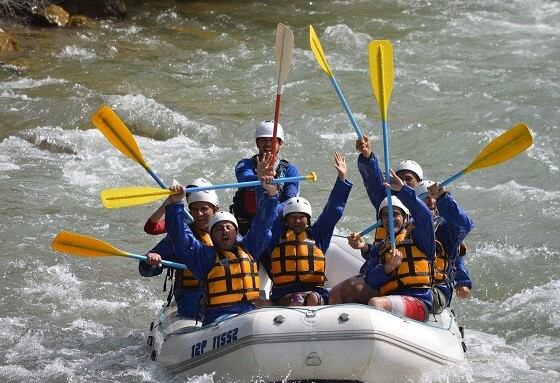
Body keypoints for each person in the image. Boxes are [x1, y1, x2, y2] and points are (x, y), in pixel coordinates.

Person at [148, 153, 279, 325]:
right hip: (212, 313)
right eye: (218, 229)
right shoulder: (204, 256)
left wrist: (269, 192)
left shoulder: (247, 247)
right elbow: (180, 238)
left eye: (228, 227)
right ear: (212, 233)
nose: (224, 231)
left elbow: (262, 224)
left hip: (247, 312)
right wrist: (175, 205)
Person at [262, 152, 352, 306]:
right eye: (292, 217)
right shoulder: (276, 236)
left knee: (312, 298)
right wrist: (271, 193)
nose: (297, 220)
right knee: (294, 300)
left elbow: (333, 210)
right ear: (285, 220)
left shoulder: (318, 235)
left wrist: (341, 179)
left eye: (301, 217)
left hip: (314, 292)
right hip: (284, 294)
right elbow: (267, 215)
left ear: (308, 220)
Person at [346, 171, 435, 322]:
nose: (391, 220)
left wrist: (403, 190)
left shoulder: (420, 238)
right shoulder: (380, 247)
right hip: (391, 299)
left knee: (375, 303)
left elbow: (425, 217)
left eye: (395, 214)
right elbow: (369, 281)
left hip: (418, 301)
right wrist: (386, 269)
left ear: (405, 217)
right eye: (386, 216)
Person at [139, 179, 220, 320]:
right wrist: (150, 261)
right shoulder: (180, 234)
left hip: (222, 293)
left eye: (204, 209)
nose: (199, 214)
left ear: (216, 209)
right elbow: (146, 269)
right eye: (194, 209)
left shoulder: (227, 230)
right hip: (192, 296)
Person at [413, 180, 474, 313]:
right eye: (424, 198)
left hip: (434, 289)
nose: (430, 202)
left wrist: (443, 197)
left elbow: (464, 225)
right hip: (408, 285)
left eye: (433, 198)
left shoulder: (445, 228)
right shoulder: (403, 224)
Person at [231, 120, 299, 235]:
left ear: (280, 144)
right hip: (247, 227)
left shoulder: (290, 170)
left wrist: (267, 213)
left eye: (272, 140)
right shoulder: (244, 165)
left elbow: (289, 201)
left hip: (275, 226)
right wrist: (260, 177)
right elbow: (245, 180)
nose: (267, 144)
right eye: (263, 140)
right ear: (257, 144)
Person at [355, 135, 423, 243]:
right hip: (385, 256)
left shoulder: (427, 204)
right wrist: (368, 158)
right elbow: (373, 181)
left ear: (419, 182)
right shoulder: (387, 201)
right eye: (400, 178)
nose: (403, 182)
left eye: (409, 179)